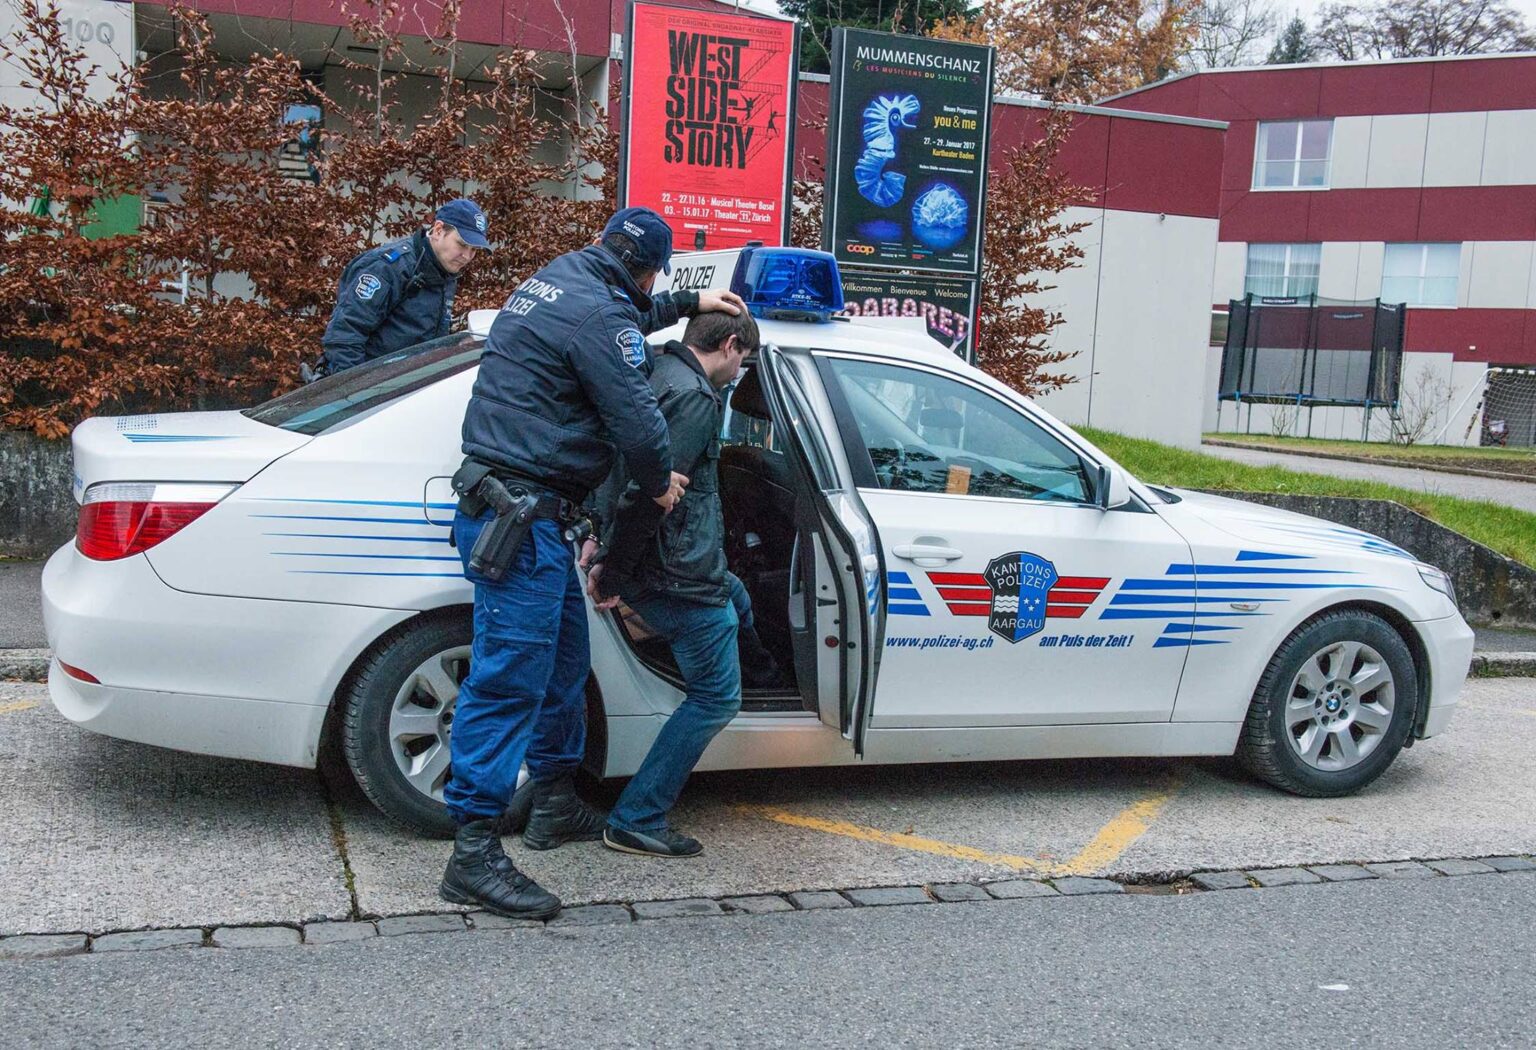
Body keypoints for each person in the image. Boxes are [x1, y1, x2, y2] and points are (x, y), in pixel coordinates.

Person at [438, 206, 745, 920]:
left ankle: (552, 804)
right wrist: (662, 477)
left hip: (525, 514)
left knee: (564, 666)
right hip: (521, 521)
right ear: (646, 269)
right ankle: (473, 855)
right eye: (656, 284)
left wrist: (688, 303)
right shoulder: (600, 316)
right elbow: (640, 423)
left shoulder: (561, 279)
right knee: (509, 681)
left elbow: (621, 318)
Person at [585, 309, 762, 858]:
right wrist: (612, 571)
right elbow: (653, 491)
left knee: (738, 595)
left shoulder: (656, 372)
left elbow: (616, 465)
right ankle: (638, 817)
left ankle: (760, 666)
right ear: (730, 344)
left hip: (668, 563)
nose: (739, 375)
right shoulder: (694, 398)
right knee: (715, 698)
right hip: (676, 573)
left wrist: (598, 536)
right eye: (743, 363)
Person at [319, 198, 490, 375]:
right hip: (370, 389)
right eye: (462, 244)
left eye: (474, 250)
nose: (467, 256)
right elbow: (345, 335)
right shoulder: (388, 267)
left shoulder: (444, 272)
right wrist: (354, 394)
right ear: (438, 230)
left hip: (406, 388)